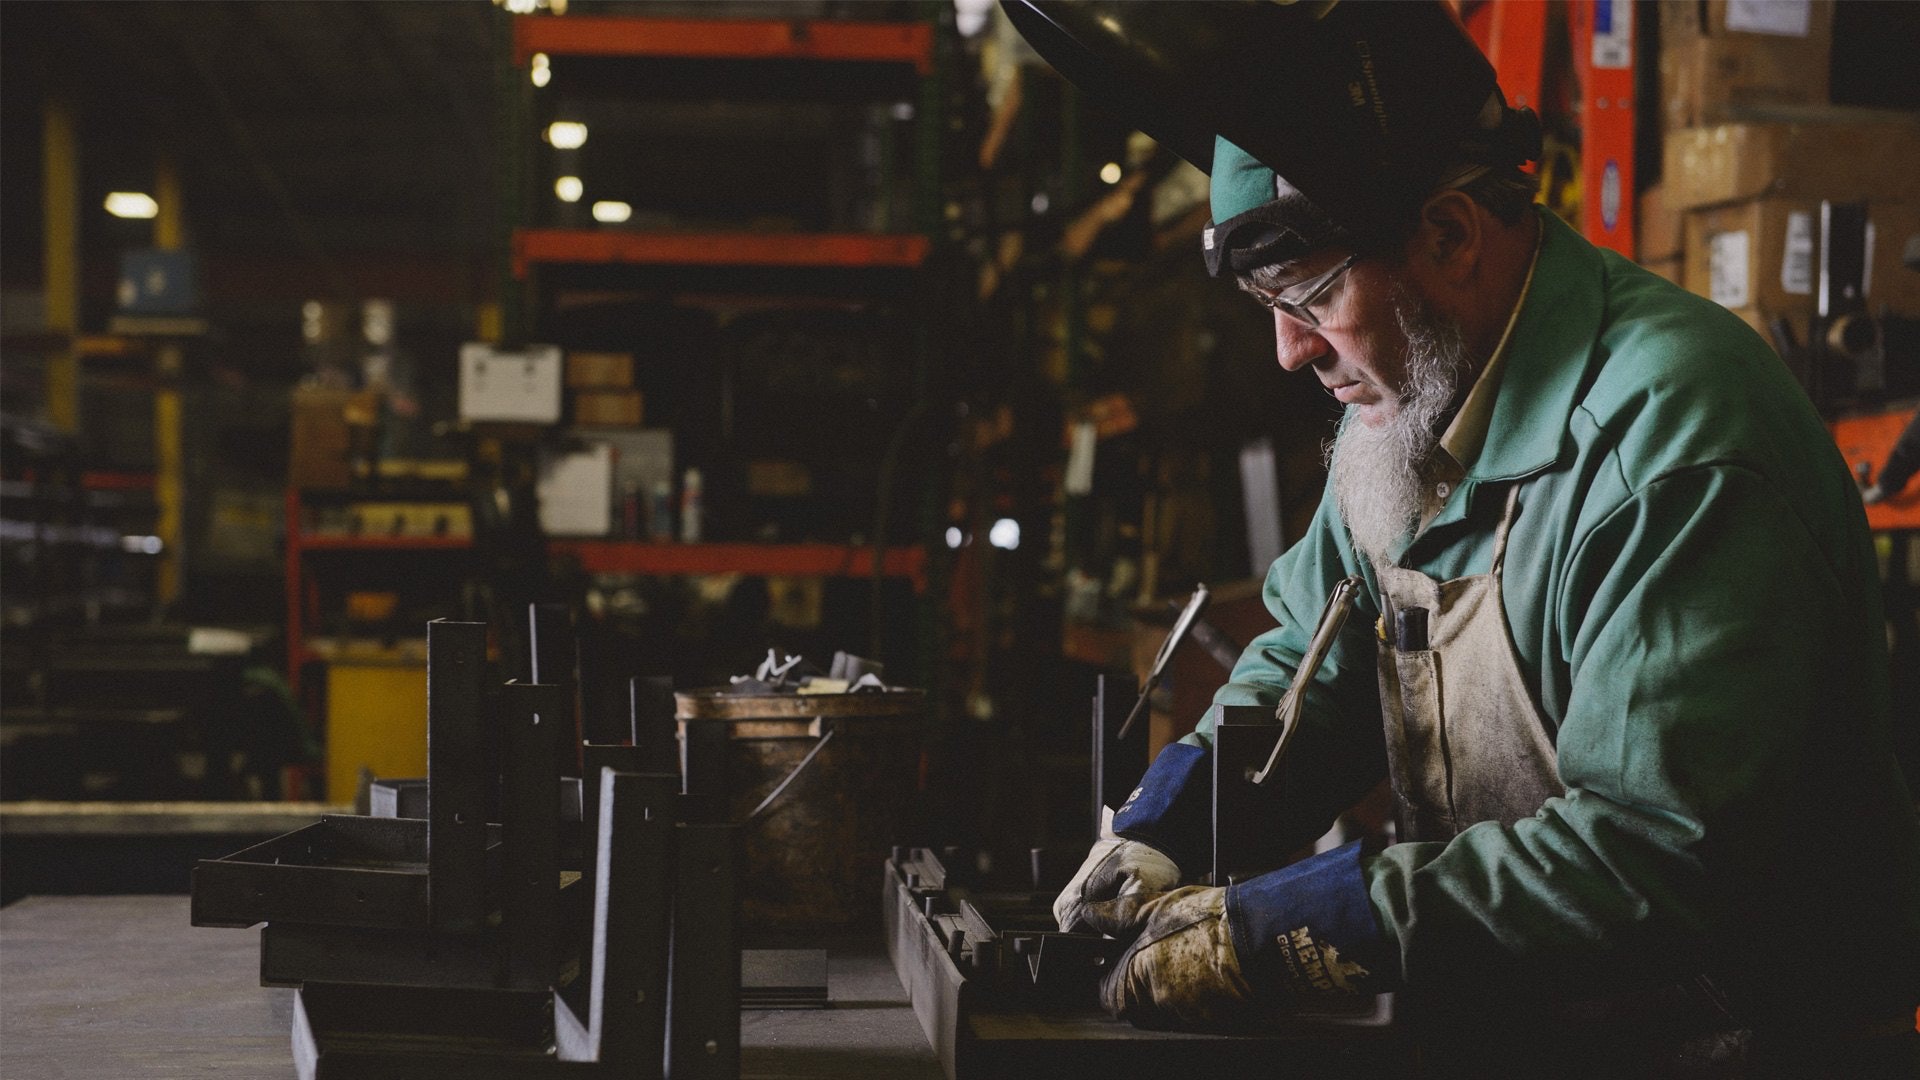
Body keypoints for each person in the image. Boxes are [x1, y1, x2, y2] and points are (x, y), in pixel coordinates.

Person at [1006, 2, 1920, 1075]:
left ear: (1448, 233)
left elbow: (1650, 857)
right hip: (1540, 1029)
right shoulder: (1417, 398)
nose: (1289, 350)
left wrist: (1293, 929)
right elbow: (1315, 660)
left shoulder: (1674, 447)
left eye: (1307, 293)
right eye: (1263, 297)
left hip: (1734, 1046)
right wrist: (1168, 828)